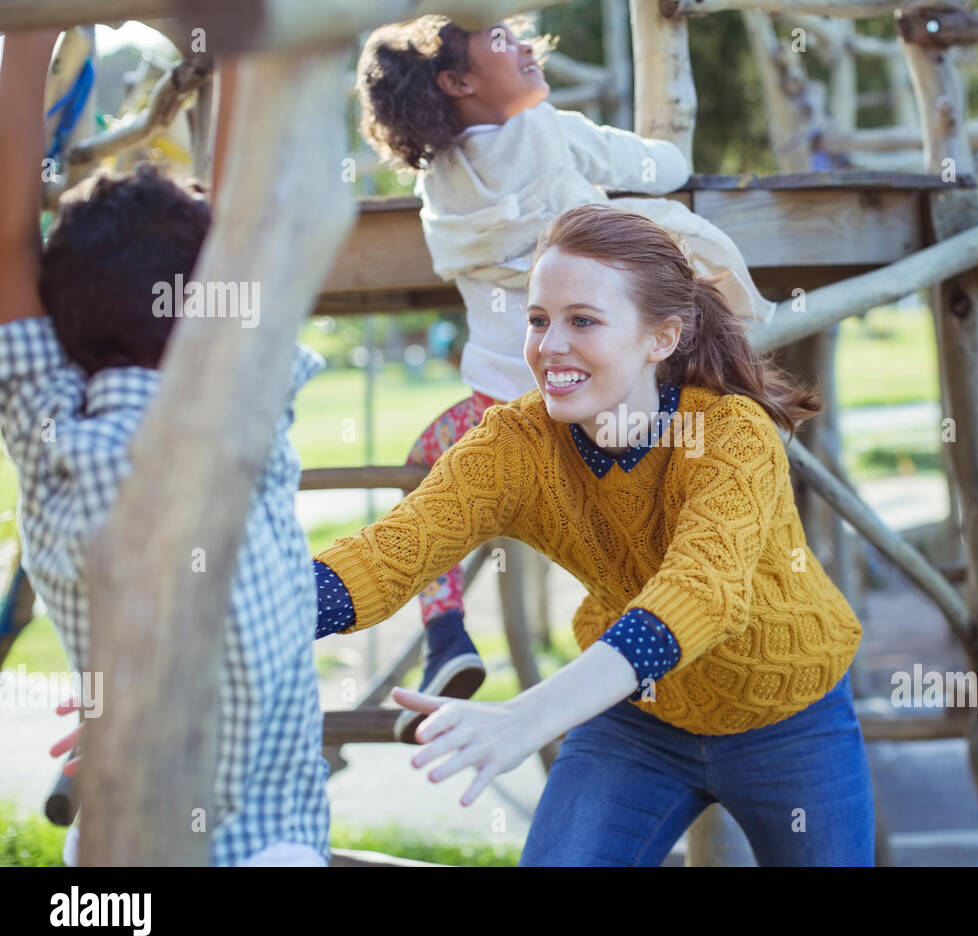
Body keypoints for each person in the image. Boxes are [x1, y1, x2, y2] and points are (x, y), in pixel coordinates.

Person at [313, 203, 873, 866]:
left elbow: (703, 592)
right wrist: (256, 614)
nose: (550, 345)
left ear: (661, 338)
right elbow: (392, 552)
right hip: (639, 718)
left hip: (790, 714)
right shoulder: (515, 443)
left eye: (583, 321)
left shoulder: (731, 434)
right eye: (538, 319)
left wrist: (530, 716)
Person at [355, 15, 776, 727]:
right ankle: (662, 637)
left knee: (427, 471)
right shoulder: (546, 133)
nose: (525, 45)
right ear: (457, 82)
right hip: (599, 395)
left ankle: (445, 634)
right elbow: (654, 168)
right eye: (501, 42)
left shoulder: (440, 185)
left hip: (501, 409)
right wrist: (668, 163)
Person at [0, 33, 330, 866]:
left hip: (117, 851)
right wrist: (240, 39)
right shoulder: (241, 404)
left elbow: (6, 249)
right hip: (267, 851)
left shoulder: (53, 441)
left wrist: (28, 38)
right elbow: (247, 215)